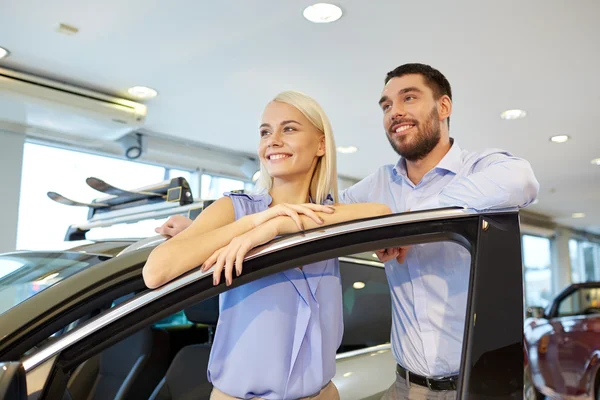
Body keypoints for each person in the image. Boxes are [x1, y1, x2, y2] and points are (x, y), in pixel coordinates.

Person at [143, 90, 391, 400]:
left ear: (321, 144)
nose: (272, 140)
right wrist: (252, 224)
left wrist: (277, 225)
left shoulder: (330, 216)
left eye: (288, 128)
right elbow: (156, 271)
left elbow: (381, 213)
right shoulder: (235, 209)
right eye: (265, 131)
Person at [339, 63, 539, 399]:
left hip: (480, 387)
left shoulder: (479, 167)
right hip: (407, 388)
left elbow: (523, 181)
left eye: (409, 98)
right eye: (386, 105)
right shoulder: (378, 186)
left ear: (443, 107)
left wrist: (406, 225)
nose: (394, 112)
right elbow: (323, 213)